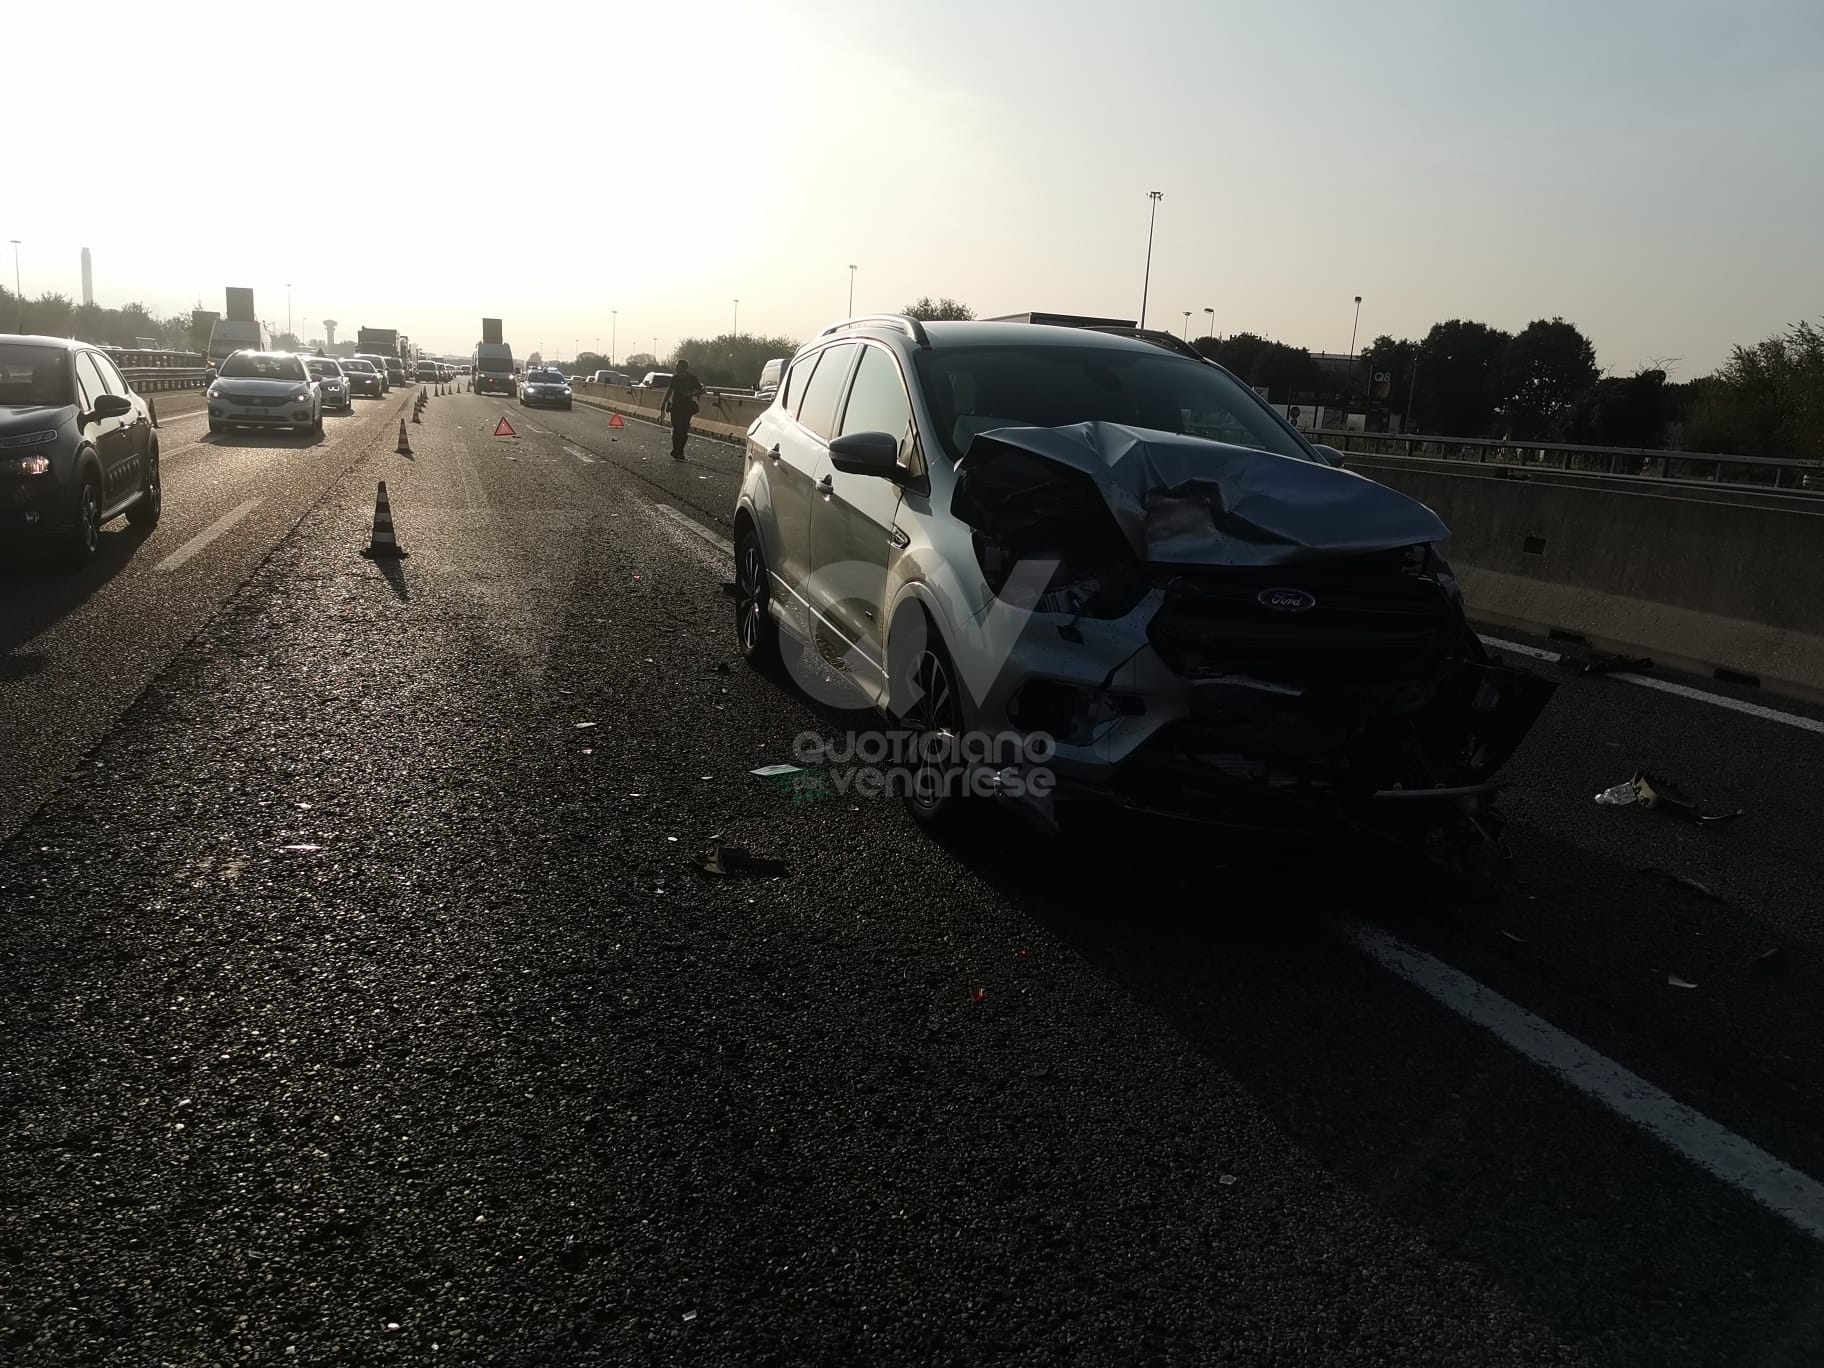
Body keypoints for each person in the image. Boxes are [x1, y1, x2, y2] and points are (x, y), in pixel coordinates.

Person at [659, 360, 705, 461]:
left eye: (678, 366)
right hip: (677, 407)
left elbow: (702, 390)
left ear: (683, 367)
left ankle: (680, 451)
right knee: (677, 429)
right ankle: (677, 450)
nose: (676, 368)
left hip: (686, 408)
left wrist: (691, 394)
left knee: (683, 430)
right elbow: (669, 391)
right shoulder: (676, 378)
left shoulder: (692, 379)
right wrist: (663, 404)